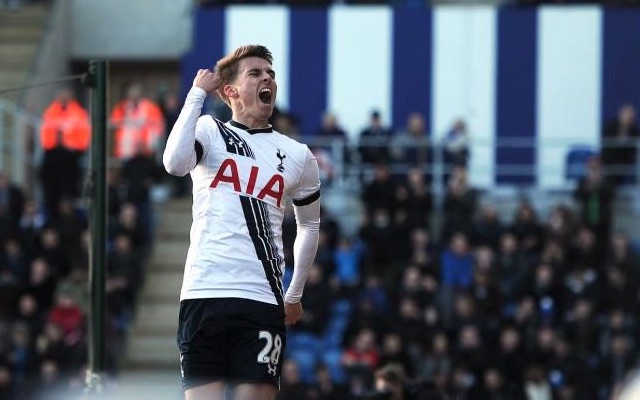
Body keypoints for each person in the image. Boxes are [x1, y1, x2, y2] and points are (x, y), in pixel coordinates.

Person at [163, 44, 321, 400]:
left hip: (260, 298)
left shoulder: (297, 155)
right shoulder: (209, 130)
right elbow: (174, 163)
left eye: (271, 74)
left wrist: (293, 294)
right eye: (255, 73)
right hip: (204, 292)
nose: (267, 78)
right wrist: (195, 95)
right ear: (230, 91)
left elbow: (310, 225)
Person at [110, 82, 165, 162]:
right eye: (132, 93)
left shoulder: (150, 107)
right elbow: (114, 121)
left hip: (146, 150)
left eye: (136, 93)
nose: (134, 95)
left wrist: (150, 144)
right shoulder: (122, 107)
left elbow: (159, 125)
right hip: (127, 150)